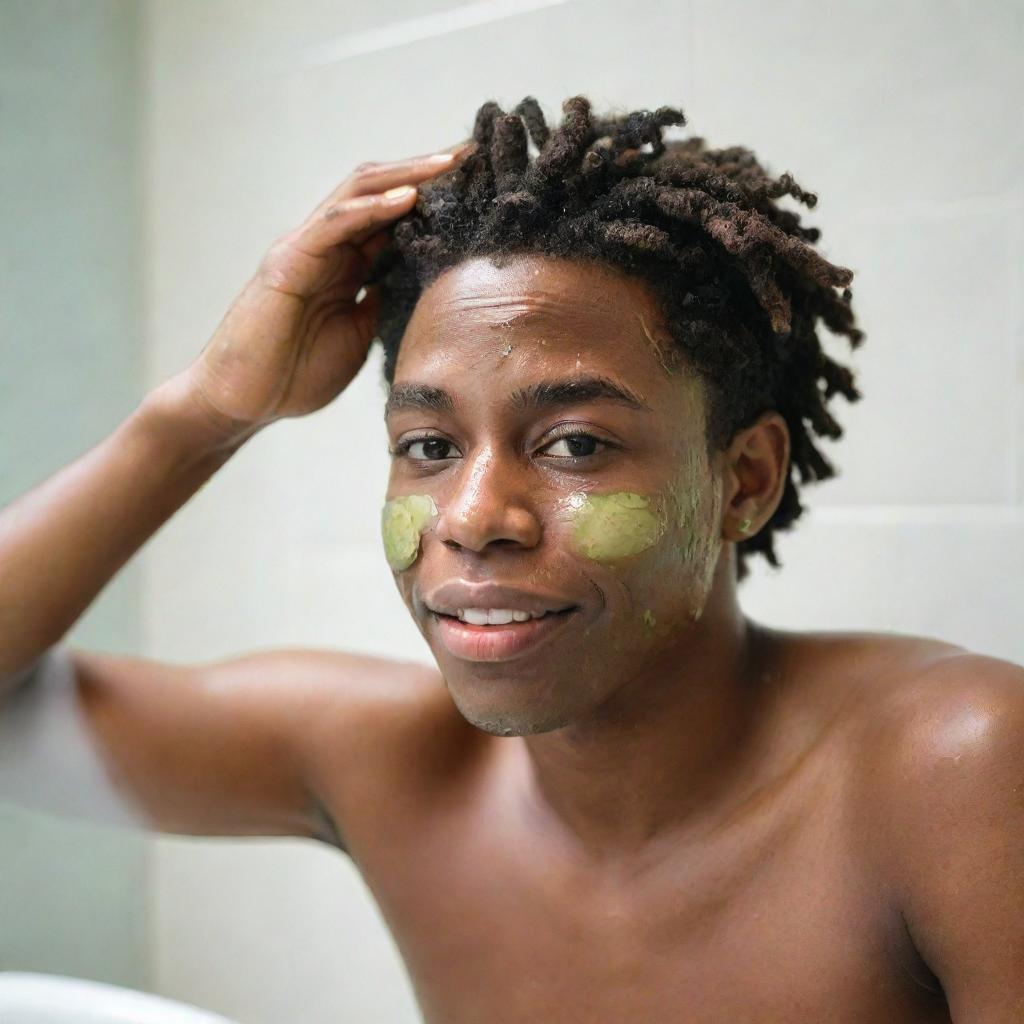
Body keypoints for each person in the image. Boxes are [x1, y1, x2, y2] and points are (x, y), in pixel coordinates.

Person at [1, 94, 1022, 1023]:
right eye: (429, 447)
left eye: (575, 443)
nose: (475, 516)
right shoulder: (389, 764)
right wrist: (204, 414)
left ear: (744, 479)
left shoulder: (952, 769)